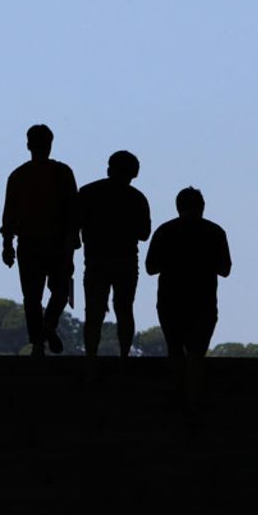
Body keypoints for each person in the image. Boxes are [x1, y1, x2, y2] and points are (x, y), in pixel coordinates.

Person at [145, 187, 231, 410]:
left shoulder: (165, 231)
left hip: (170, 299)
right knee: (196, 352)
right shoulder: (215, 232)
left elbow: (150, 267)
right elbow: (225, 269)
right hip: (203, 300)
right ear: (202, 207)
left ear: (178, 206)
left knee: (175, 349)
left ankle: (177, 395)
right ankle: (192, 398)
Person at [0, 124, 79, 356]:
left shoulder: (18, 176)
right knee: (61, 290)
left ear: (28, 145)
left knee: (32, 297)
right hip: (58, 243)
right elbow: (73, 212)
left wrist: (7, 245)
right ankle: (49, 325)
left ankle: (37, 342)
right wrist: (72, 245)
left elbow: (8, 215)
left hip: (28, 243)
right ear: (50, 144)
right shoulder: (63, 172)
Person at [77, 150, 151, 361]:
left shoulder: (88, 192)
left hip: (96, 260)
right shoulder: (137, 198)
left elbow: (74, 225)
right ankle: (124, 357)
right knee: (124, 309)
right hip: (126, 261)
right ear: (134, 173)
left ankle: (91, 359)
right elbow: (144, 234)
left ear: (109, 169)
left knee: (93, 312)